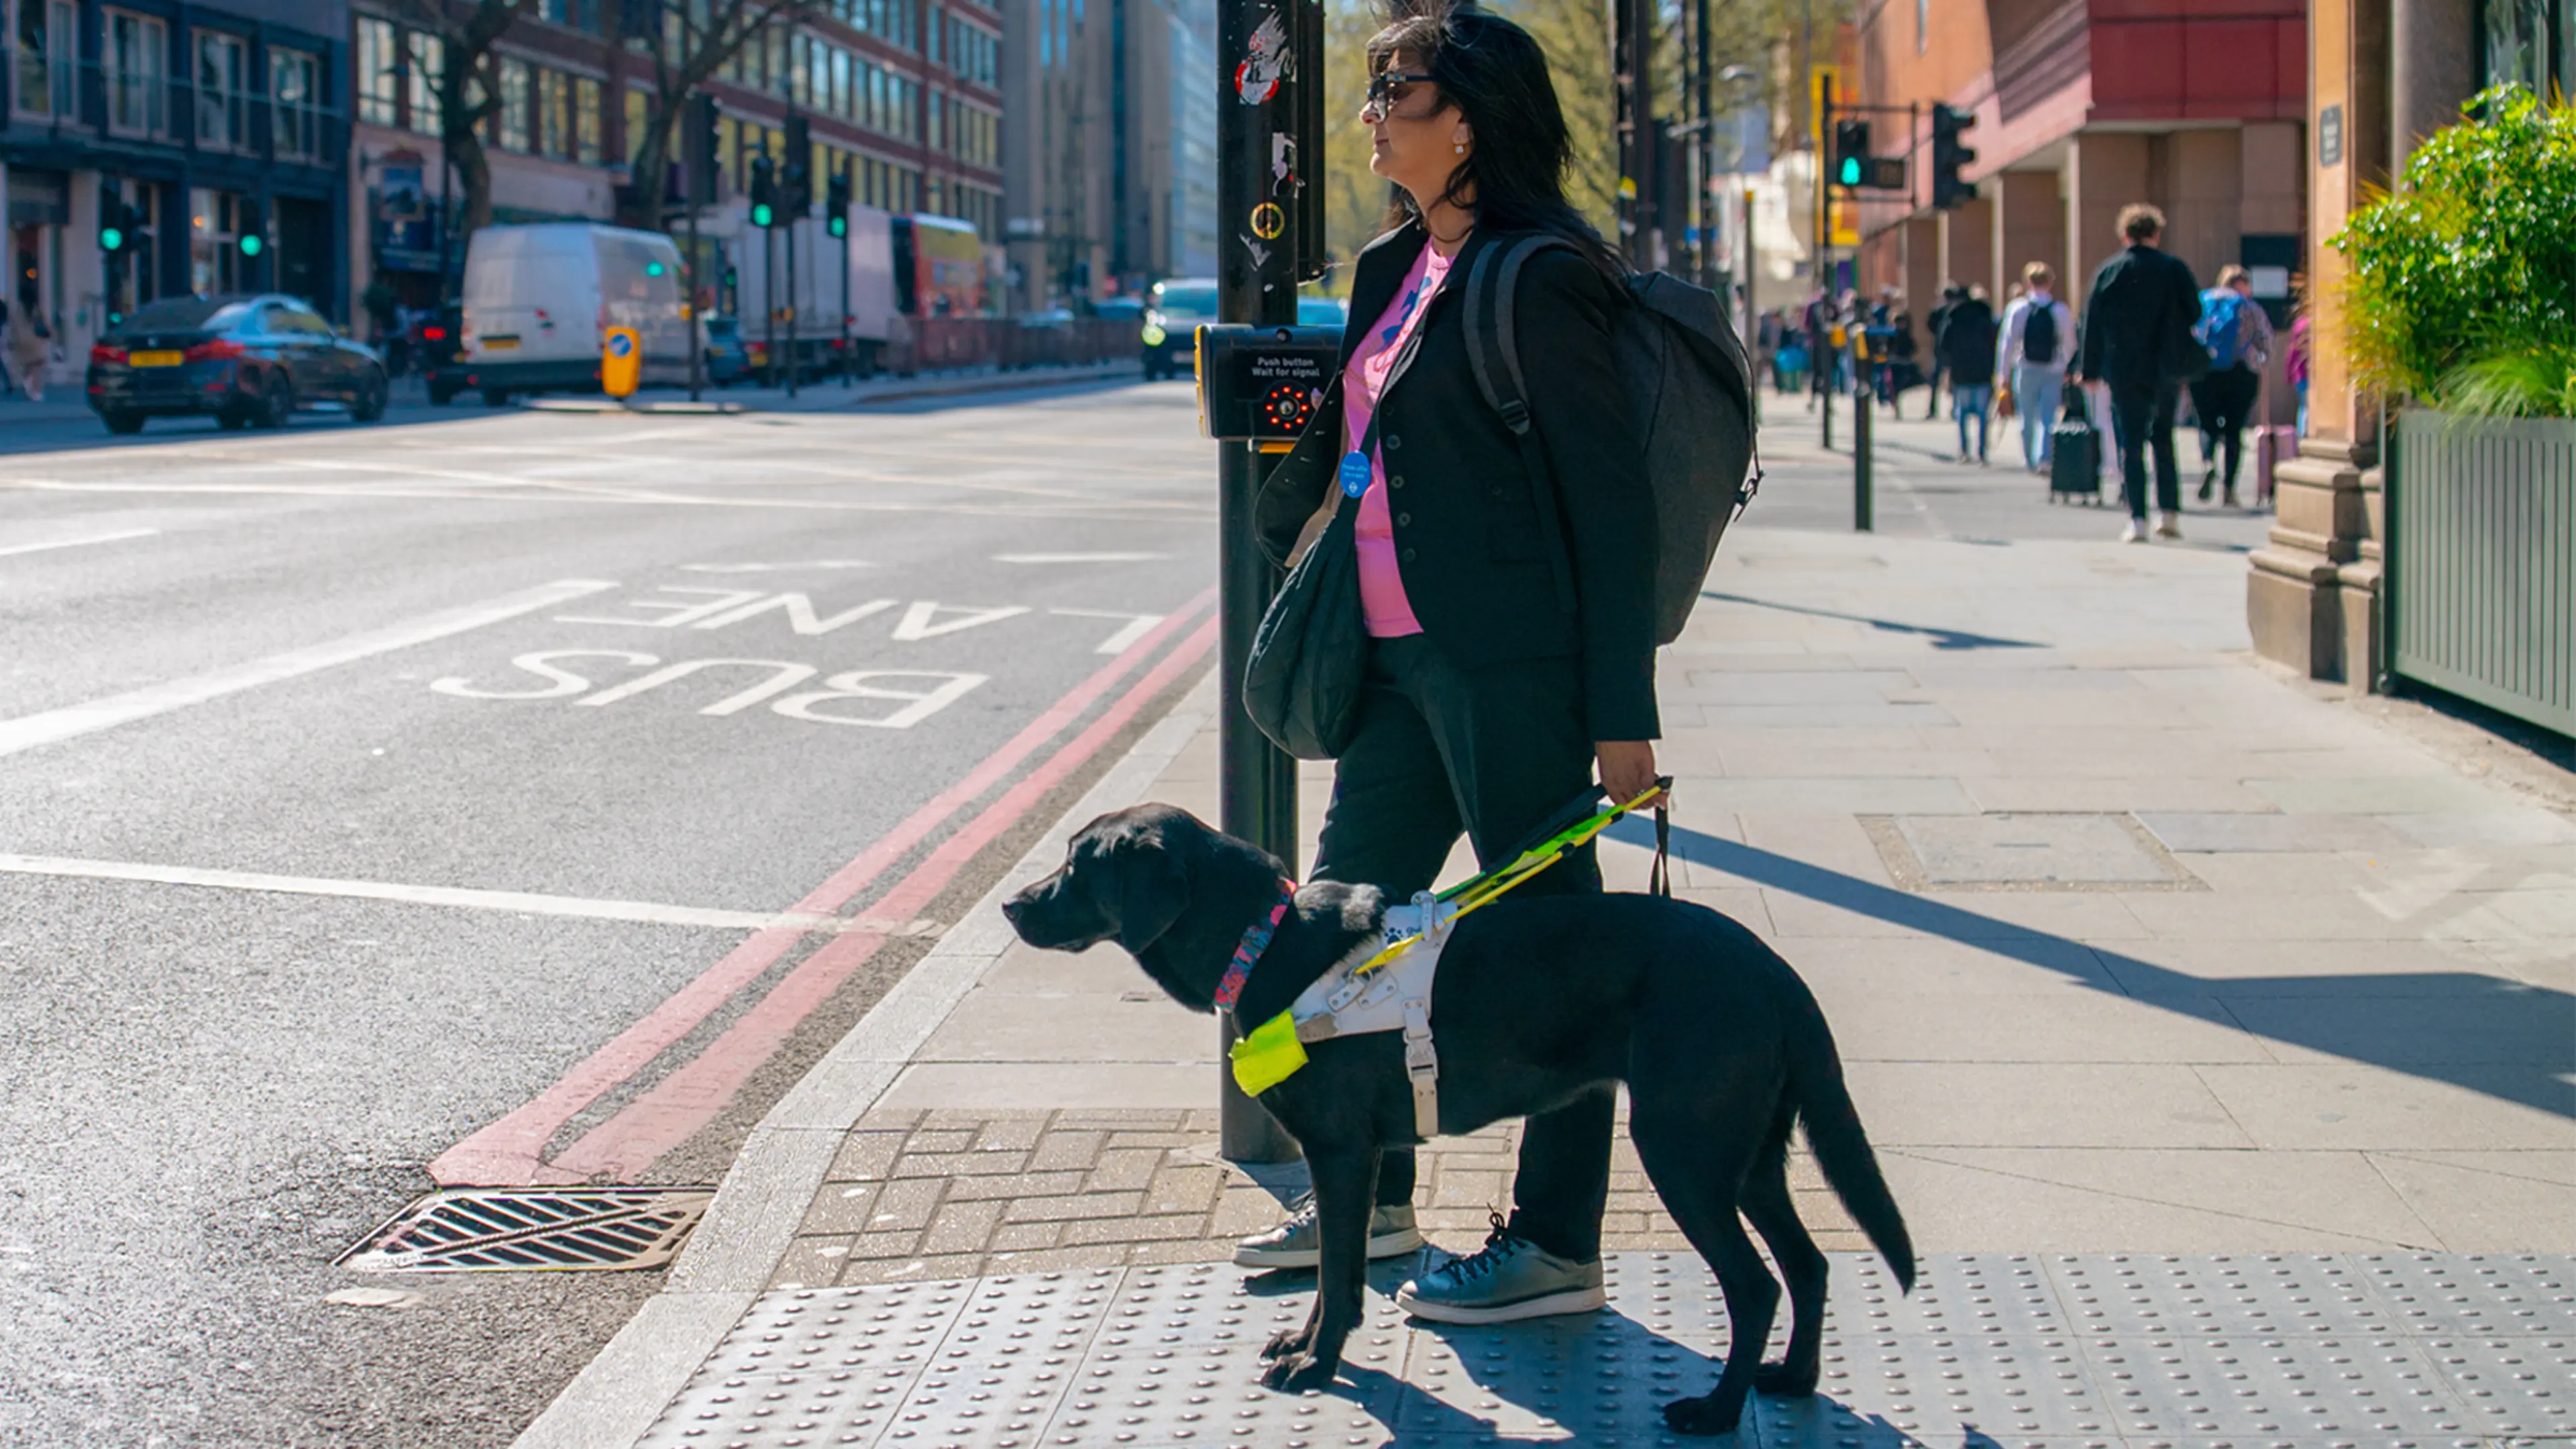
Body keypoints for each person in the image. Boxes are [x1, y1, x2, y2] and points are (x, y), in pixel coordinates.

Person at [1240, 3, 1661, 1327]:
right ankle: (1368, 1192)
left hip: (1509, 668)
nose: (1370, 114)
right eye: (1370, 89)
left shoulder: (1542, 274)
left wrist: (1621, 719)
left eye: (1396, 89)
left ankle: (1554, 1244)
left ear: (1471, 115)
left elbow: (1611, 507)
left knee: (1549, 950)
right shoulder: (1389, 266)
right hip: (1391, 666)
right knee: (1345, 926)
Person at [2074, 203, 2202, 542]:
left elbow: (2092, 324)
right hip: (2166, 366)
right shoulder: (2174, 269)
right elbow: (2195, 311)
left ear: (2124, 234)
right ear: (2156, 233)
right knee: (2163, 438)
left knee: (2130, 442)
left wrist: (2088, 369)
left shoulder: (2108, 271)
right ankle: (2170, 514)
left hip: (2123, 368)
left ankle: (2138, 519)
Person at [2186, 264, 2275, 508]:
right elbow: (2266, 340)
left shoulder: (2203, 302)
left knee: (2206, 424)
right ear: (2243, 284)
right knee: (2234, 429)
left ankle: (2208, 462)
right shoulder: (2249, 307)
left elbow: (2190, 333)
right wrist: (2262, 360)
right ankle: (2228, 489)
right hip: (2240, 372)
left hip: (2204, 372)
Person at [1995, 262, 2076, 472]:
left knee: (2027, 416)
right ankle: (2045, 458)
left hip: (2025, 367)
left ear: (2028, 282)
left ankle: (2029, 458)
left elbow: (2007, 344)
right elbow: (2069, 342)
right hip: (2054, 369)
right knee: (2049, 415)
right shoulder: (2060, 310)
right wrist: (2069, 366)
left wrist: (2002, 375)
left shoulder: (2018, 309)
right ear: (2050, 283)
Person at [1937, 284, 1998, 463]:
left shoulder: (1953, 318)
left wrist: (1948, 366)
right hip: (1983, 370)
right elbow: (1994, 342)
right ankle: (1982, 451)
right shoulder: (1985, 316)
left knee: (1962, 413)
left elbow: (1943, 345)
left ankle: (1964, 450)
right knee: (1982, 413)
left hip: (1961, 370)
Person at [1925, 282, 1964, 418]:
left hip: (1940, 349)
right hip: (1954, 350)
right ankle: (1954, 407)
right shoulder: (1957, 311)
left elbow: (1930, 325)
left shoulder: (1939, 310)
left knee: (1935, 380)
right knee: (1954, 380)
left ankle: (1932, 409)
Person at [7, 307, 52, 402]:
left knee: (28, 366)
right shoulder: (36, 309)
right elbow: (44, 324)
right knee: (37, 365)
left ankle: (28, 384)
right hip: (35, 341)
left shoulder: (18, 310)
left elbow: (13, 326)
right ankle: (31, 387)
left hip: (22, 341)